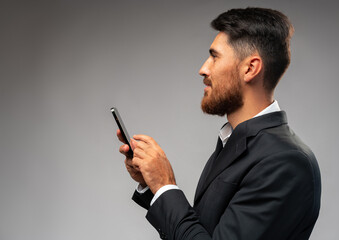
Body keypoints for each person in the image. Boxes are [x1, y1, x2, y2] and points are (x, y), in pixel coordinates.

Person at [117, 7, 321, 240]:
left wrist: (166, 186)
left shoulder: (285, 162)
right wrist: (154, 184)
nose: (203, 69)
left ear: (250, 68)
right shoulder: (235, 142)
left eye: (215, 56)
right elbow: (204, 230)